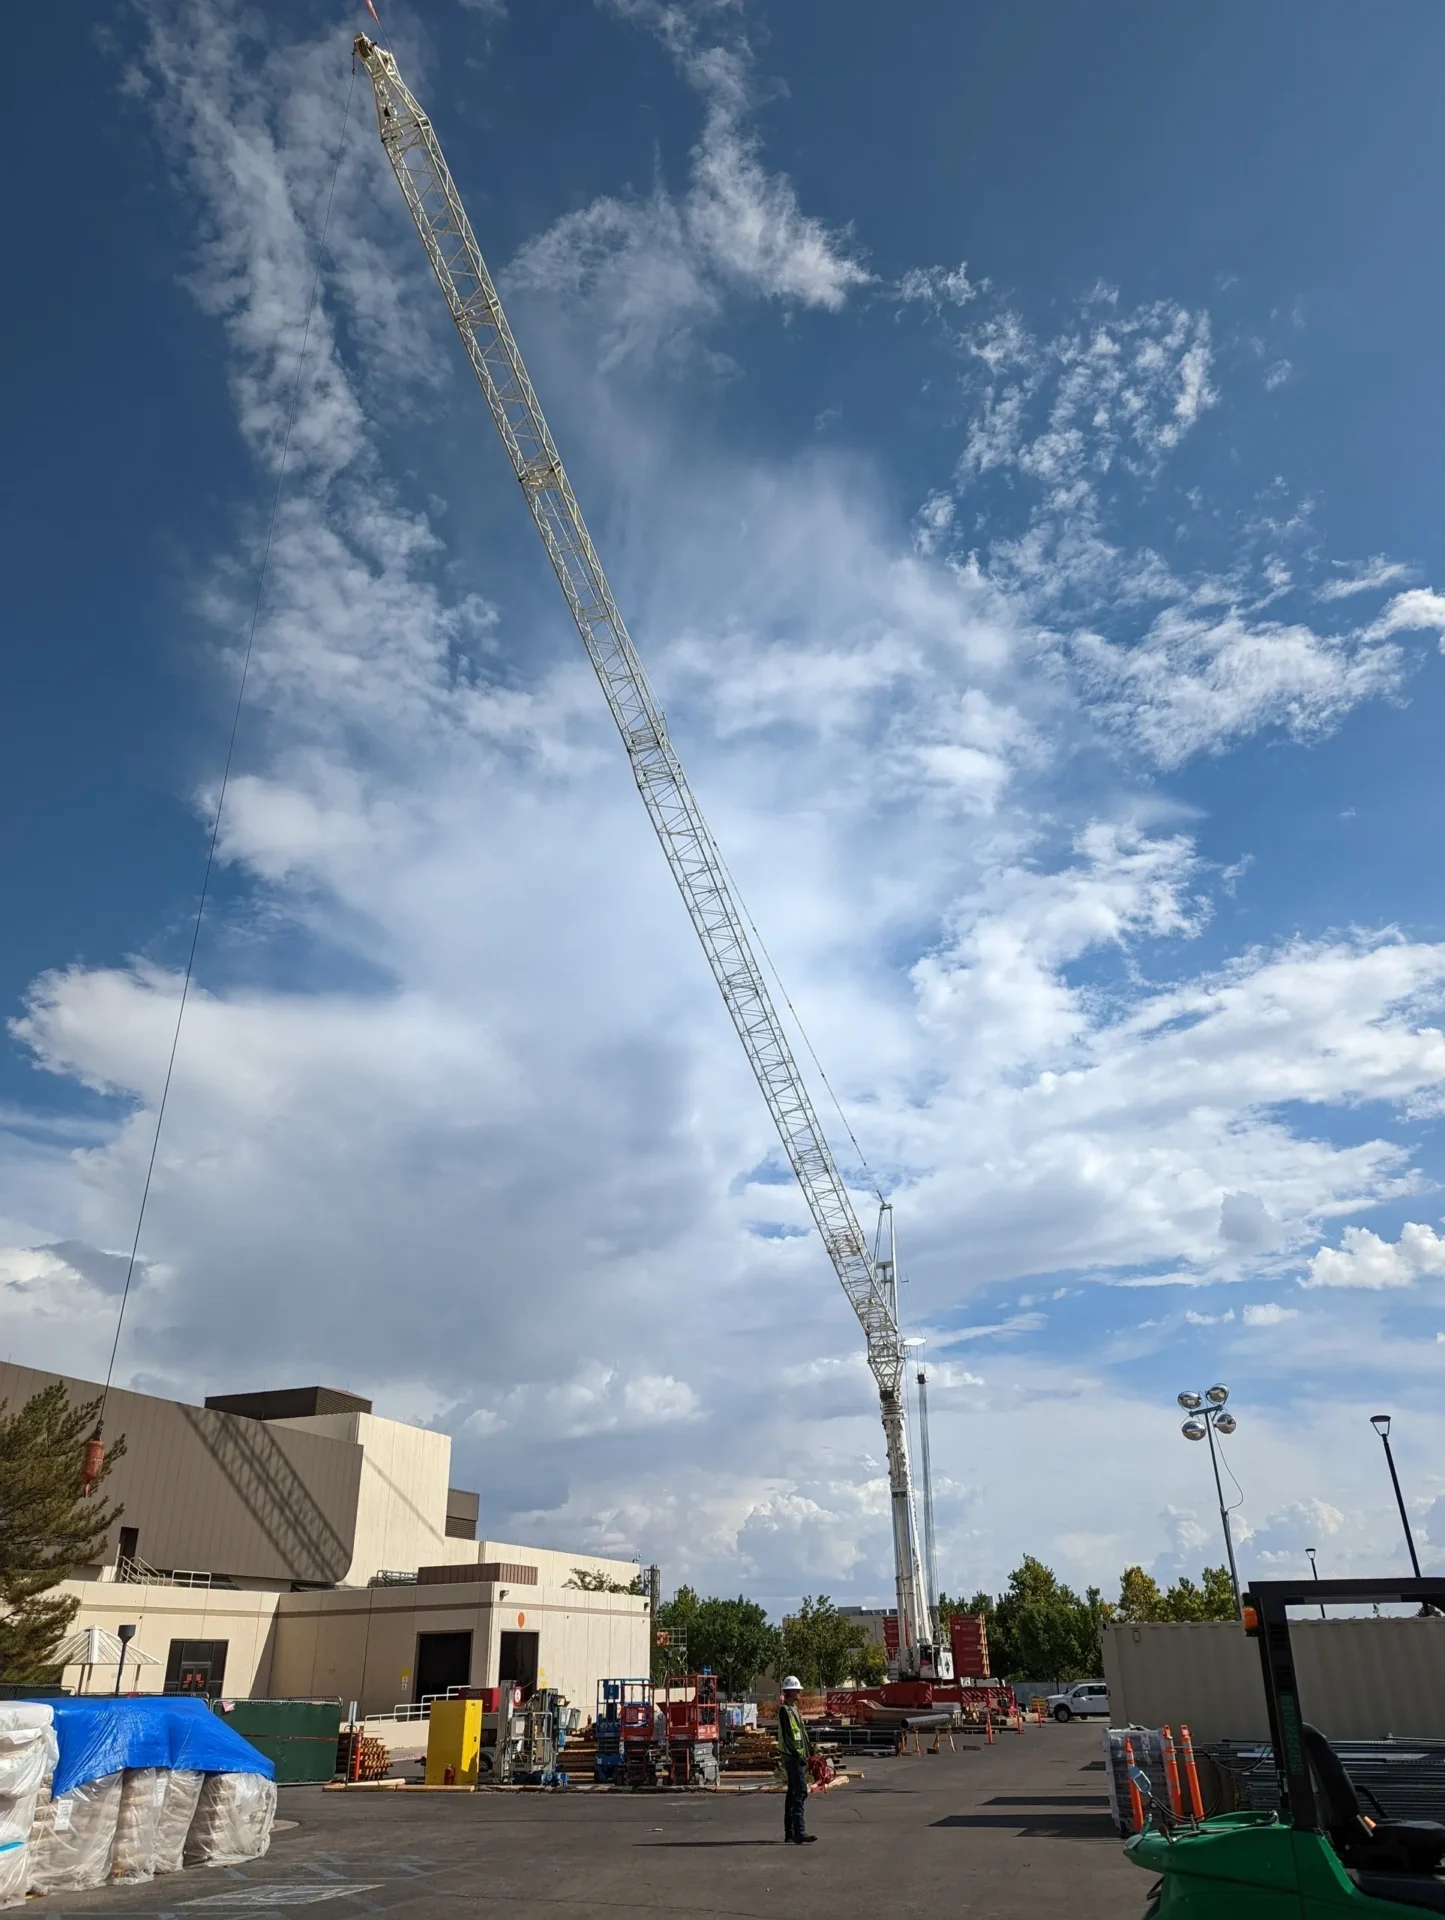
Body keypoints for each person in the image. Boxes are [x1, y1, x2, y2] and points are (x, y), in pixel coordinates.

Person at [777, 1676, 815, 1844]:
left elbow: (800, 1733)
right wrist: (798, 1755)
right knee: (800, 1791)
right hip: (793, 1757)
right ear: (789, 1691)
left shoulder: (794, 1709)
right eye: (797, 1689)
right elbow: (787, 1736)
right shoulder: (785, 1710)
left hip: (798, 1756)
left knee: (793, 1792)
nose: (799, 1691)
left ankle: (790, 1832)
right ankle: (798, 1831)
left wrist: (810, 1753)